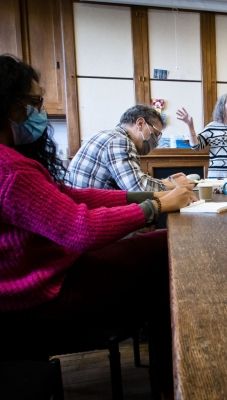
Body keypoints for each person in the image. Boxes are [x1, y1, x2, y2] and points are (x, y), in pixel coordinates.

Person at [0, 54, 196, 395]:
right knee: (166, 246)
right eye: (34, 102)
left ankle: (165, 373)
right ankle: (170, 380)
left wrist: (150, 200)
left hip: (39, 276)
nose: (39, 111)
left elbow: (74, 194)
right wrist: (158, 204)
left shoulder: (12, 162)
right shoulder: (11, 169)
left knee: (158, 248)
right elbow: (81, 229)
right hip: (40, 293)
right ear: (11, 106)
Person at [65, 103, 196, 191]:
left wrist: (167, 181)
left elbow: (134, 179)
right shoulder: (120, 141)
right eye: (156, 134)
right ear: (140, 123)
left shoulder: (109, 135)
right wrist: (173, 185)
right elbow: (138, 188)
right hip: (90, 223)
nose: (156, 141)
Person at [176, 93, 227, 178]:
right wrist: (190, 126)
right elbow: (196, 146)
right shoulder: (211, 127)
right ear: (222, 106)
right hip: (216, 178)